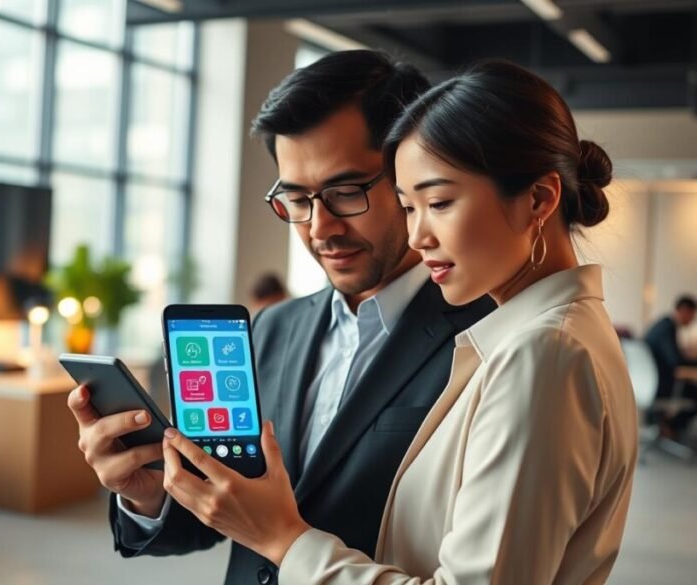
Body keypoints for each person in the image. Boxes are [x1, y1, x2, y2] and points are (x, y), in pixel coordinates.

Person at [159, 60, 639, 584]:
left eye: (438, 202)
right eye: (410, 207)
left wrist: (285, 541)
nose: (418, 236)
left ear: (539, 199)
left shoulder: (542, 351)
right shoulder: (530, 337)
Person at [67, 50, 493, 584]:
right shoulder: (272, 328)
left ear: (410, 178)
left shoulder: (485, 342)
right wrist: (148, 497)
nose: (320, 227)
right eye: (296, 198)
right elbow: (232, 512)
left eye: (344, 192)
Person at [644, 295, 697, 439]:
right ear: (685, 311)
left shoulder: (662, 325)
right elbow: (676, 362)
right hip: (662, 386)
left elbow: (671, 356)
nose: (693, 320)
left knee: (695, 388)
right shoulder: (667, 328)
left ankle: (664, 425)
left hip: (650, 384)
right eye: (693, 315)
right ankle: (671, 426)